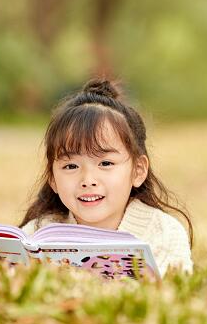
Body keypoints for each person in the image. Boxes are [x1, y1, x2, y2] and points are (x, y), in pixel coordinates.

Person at [19, 78, 193, 276]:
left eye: (106, 163)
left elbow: (173, 295)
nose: (88, 180)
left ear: (138, 171)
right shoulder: (38, 233)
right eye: (71, 166)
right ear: (53, 179)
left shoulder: (163, 233)